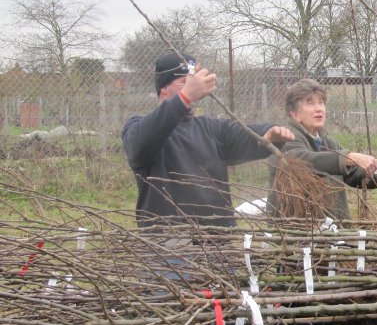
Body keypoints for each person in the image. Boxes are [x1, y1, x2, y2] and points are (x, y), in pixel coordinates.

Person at [123, 51, 295, 228]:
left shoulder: (210, 129)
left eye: (192, 83)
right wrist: (185, 96)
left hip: (217, 242)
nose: (191, 88)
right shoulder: (138, 126)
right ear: (163, 88)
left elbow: (241, 135)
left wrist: (267, 135)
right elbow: (140, 145)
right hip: (169, 243)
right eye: (184, 83)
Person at [267, 78, 377, 221]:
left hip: (332, 231)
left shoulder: (327, 142)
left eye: (321, 102)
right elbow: (303, 161)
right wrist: (348, 158)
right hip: (296, 232)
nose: (319, 108)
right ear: (294, 114)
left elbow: (353, 171)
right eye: (310, 103)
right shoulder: (284, 137)